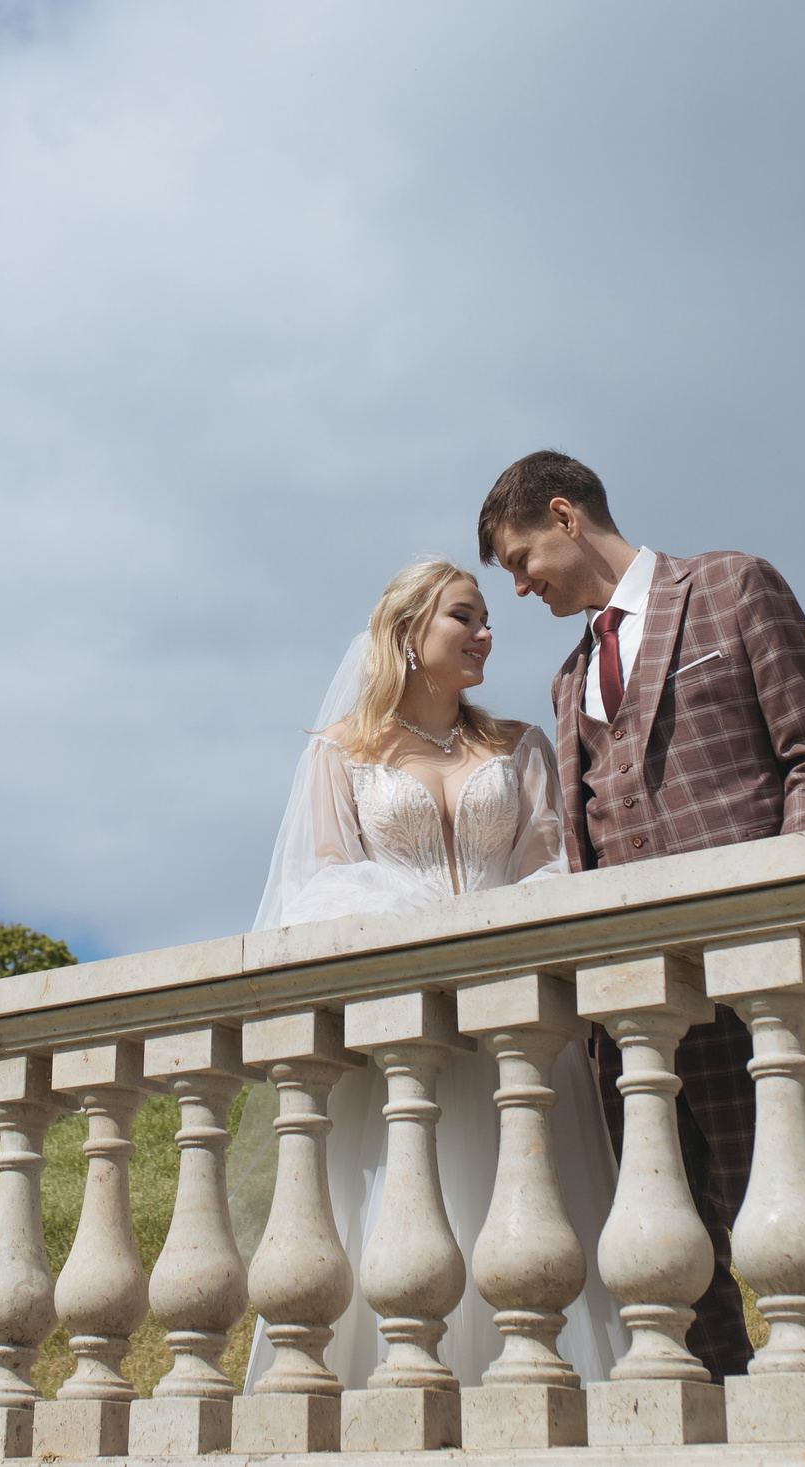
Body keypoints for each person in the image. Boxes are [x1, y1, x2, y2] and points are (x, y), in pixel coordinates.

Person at [476, 449, 805, 1382]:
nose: (517, 586)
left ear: (564, 515)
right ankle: (720, 1430)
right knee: (671, 1249)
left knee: (770, 1211)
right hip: (625, 1003)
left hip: (746, 973)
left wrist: (787, 920)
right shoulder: (568, 675)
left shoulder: (731, 586)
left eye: (517, 559)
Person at [237, 557, 626, 1390]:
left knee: (530, 1220)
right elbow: (319, 887)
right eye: (465, 616)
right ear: (410, 634)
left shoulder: (518, 745)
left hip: (511, 1016)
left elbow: (552, 867)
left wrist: (487, 933)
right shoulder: (340, 754)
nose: (487, 631)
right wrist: (414, 914)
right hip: (402, 1032)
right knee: (403, 1221)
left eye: (487, 617)